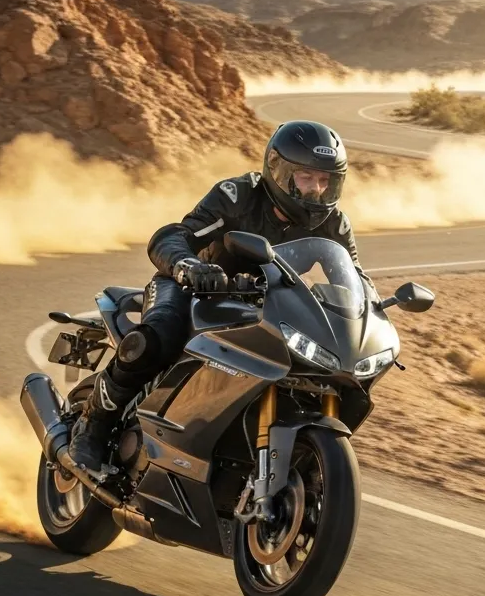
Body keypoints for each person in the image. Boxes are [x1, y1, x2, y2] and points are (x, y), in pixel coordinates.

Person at [67, 120, 367, 472]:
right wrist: (189, 266)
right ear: (278, 169)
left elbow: (354, 278)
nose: (316, 190)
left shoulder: (335, 224)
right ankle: (93, 425)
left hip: (263, 306)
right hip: (193, 290)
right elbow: (172, 236)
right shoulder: (238, 196)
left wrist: (366, 310)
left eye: (325, 180)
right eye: (306, 177)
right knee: (155, 339)